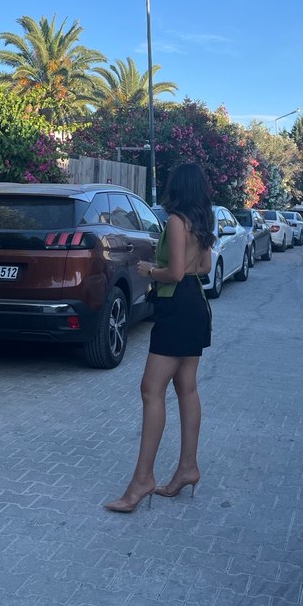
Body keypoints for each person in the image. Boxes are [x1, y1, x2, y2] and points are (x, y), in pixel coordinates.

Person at [104, 162, 215, 513]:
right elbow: (204, 268)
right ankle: (188, 468)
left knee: (151, 390)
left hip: (176, 307)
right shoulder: (202, 221)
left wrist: (150, 270)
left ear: (176, 187)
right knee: (187, 388)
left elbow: (176, 273)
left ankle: (142, 480)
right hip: (196, 305)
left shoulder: (176, 222)